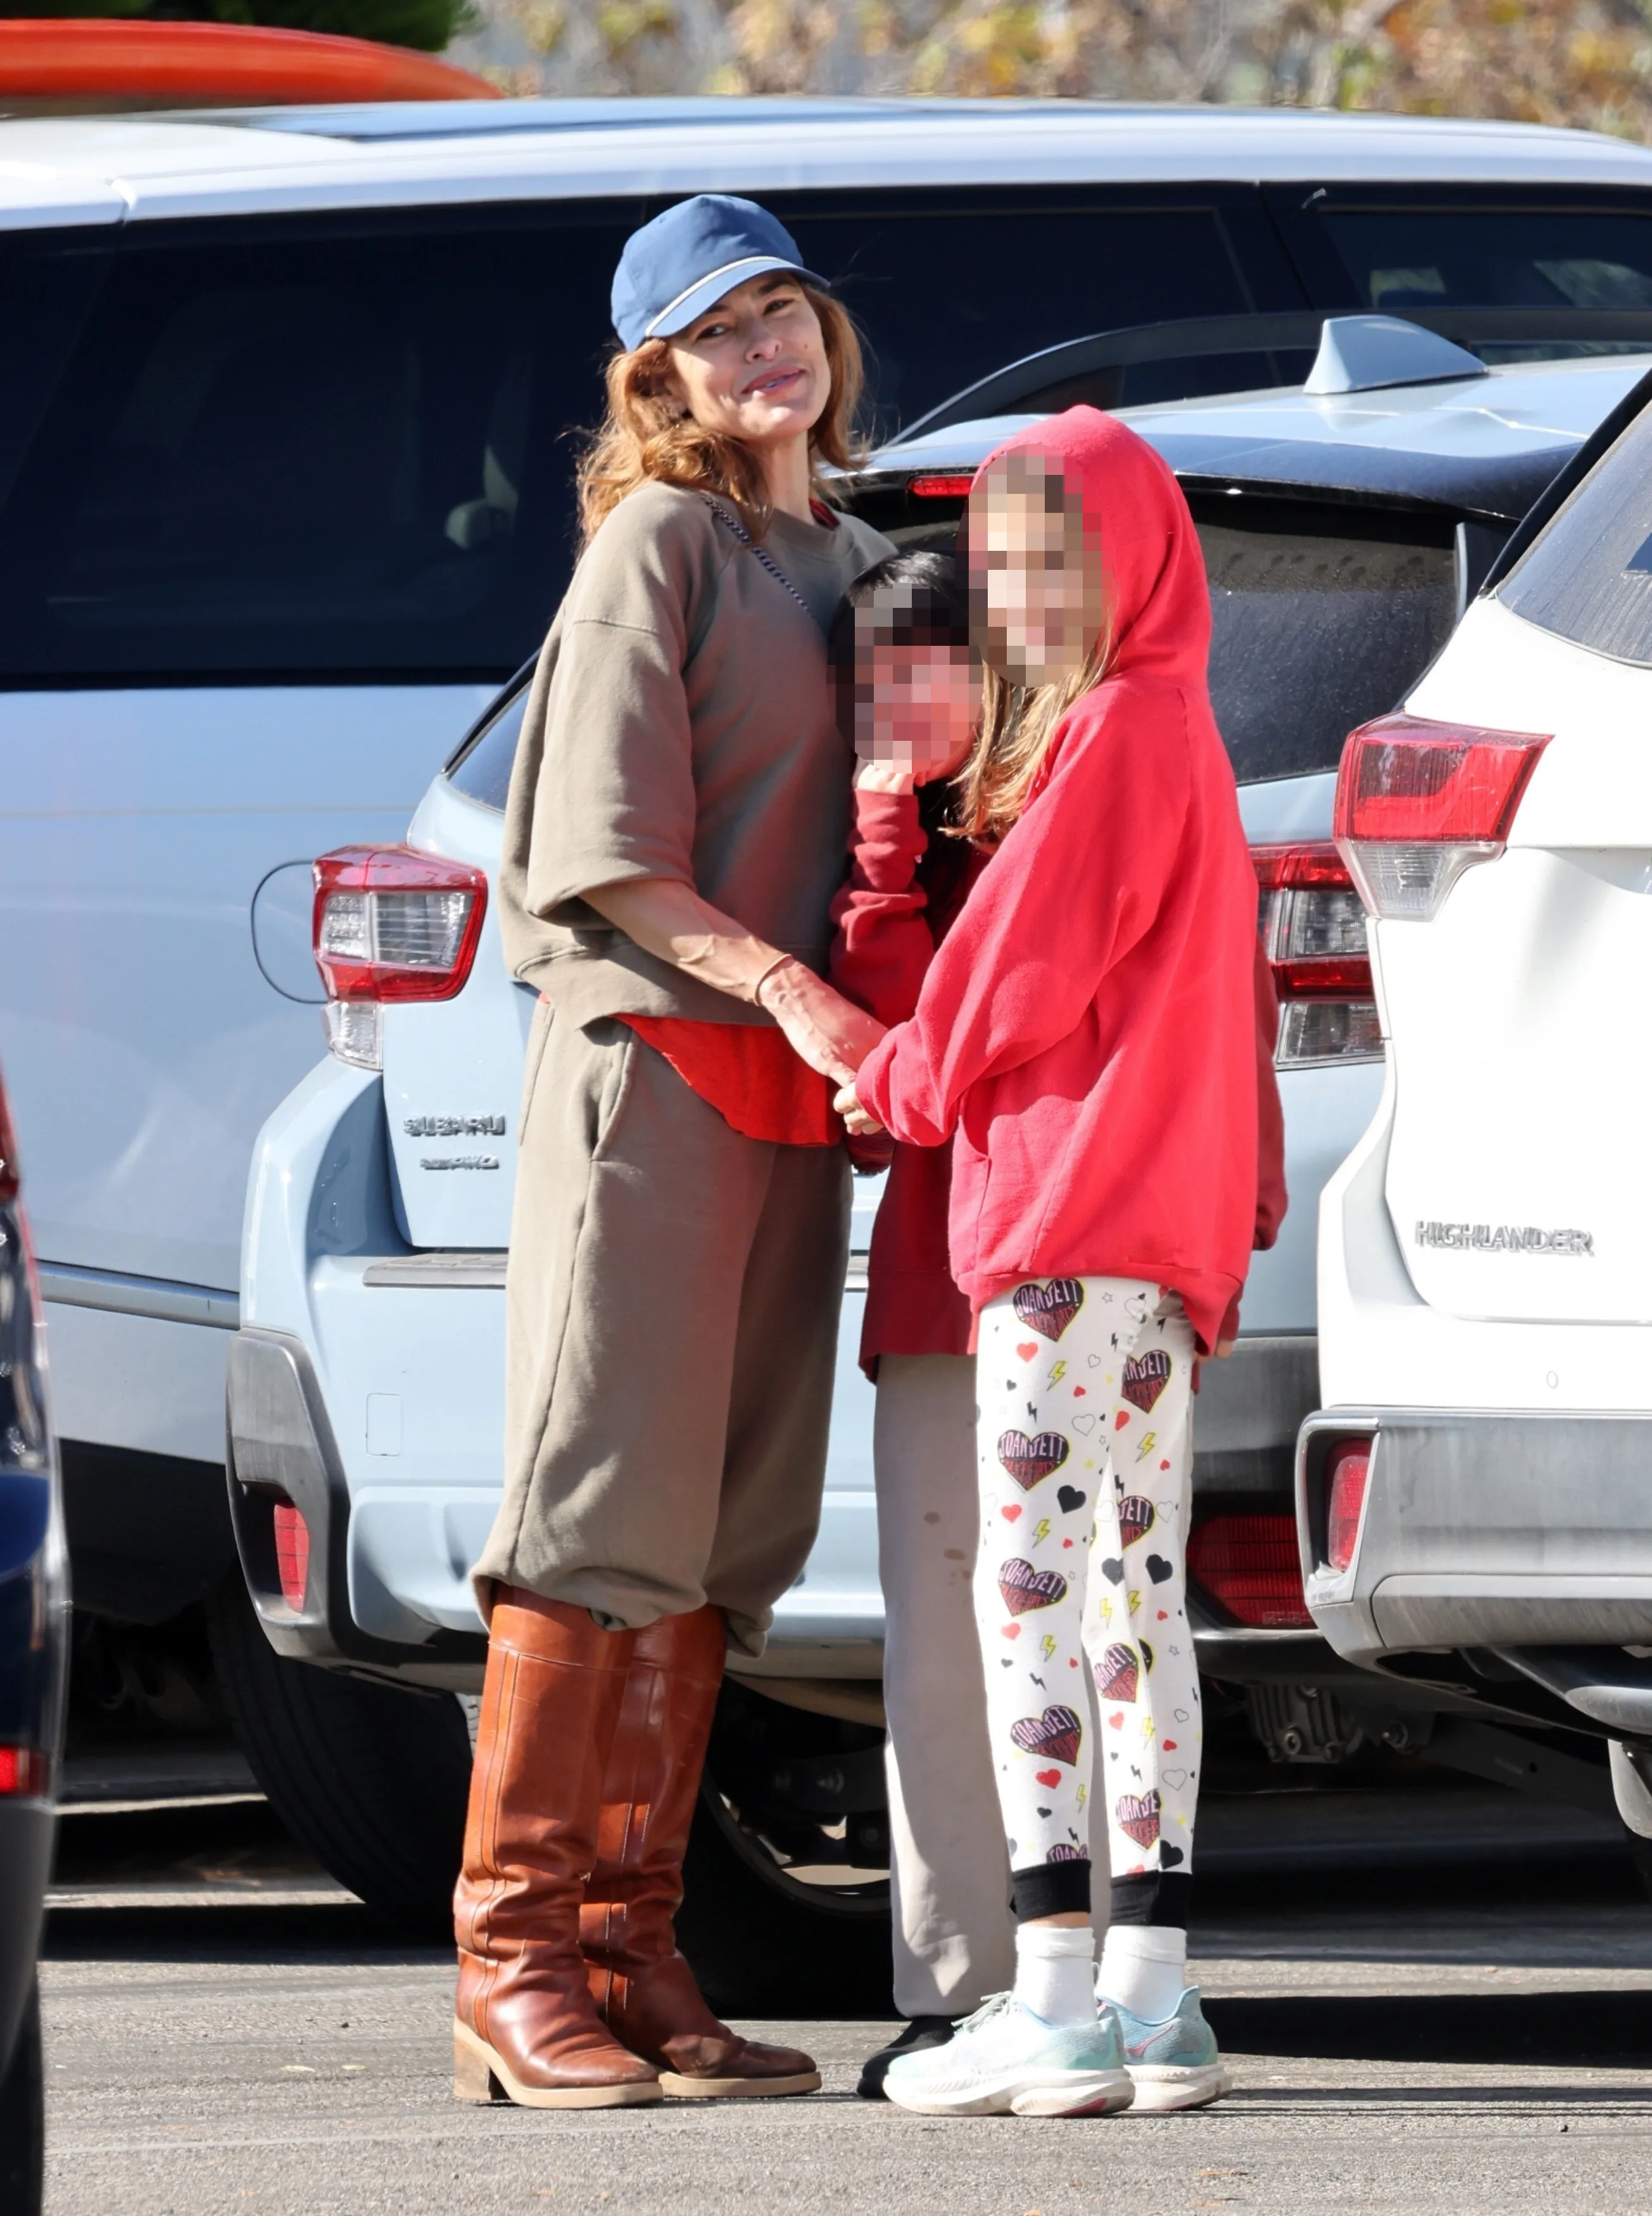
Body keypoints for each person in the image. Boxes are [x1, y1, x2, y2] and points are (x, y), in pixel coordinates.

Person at [452, 193, 893, 2112]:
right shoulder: (665, 543)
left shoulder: (862, 554)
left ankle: (635, 1946)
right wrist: (797, 993)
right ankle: (513, 1957)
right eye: (717, 332)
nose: (762, 351)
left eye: (782, 308)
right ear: (662, 380)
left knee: (721, 1540)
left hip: (802, 1103)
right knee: (595, 1509)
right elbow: (606, 851)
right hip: (661, 1072)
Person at [836, 407, 1283, 2120]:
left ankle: (1047, 1996)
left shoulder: (1112, 731)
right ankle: (1155, 1998)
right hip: (1157, 1237)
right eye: (1003, 560)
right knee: (1131, 1597)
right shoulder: (1189, 727)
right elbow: (1234, 997)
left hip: (1057, 1216)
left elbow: (1010, 977)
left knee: (1026, 1594)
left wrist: (893, 1074)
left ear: (1128, 557)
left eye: (1046, 559)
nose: (1017, 594)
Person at [824, 550, 1016, 2095]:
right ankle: (958, 1979)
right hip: (929, 1276)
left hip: (1060, 1258)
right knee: (934, 1628)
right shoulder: (885, 842)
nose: (895, 709)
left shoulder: (1055, 814)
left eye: (921, 670)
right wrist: (884, 851)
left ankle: (1089, 1956)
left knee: (1068, 1624)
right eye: (872, 683)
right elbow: (878, 1103)